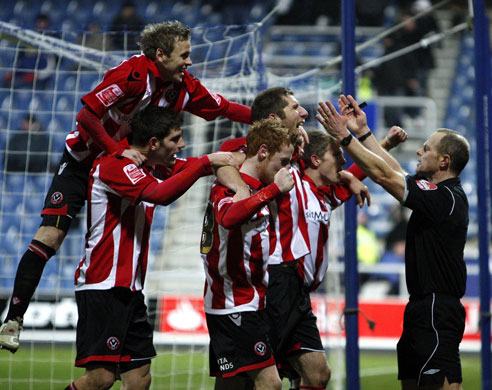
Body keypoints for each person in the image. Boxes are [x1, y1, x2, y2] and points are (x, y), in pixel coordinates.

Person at [0, 20, 252, 353]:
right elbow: (86, 116)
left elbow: (221, 107)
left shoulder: (182, 85)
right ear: (160, 55)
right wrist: (116, 149)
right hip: (83, 160)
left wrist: (263, 120)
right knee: (51, 234)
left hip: (130, 165)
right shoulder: (131, 75)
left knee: (146, 209)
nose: (190, 62)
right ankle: (14, 318)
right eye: (185, 55)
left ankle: (125, 307)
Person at [219, 88, 406, 390]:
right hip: (277, 281)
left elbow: (355, 170)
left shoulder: (323, 192)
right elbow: (230, 154)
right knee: (260, 377)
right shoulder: (284, 170)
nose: (303, 113)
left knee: (318, 374)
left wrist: (370, 155)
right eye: (295, 108)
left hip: (301, 292)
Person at [62, 105, 235, 390]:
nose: (182, 144)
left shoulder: (154, 167)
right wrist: (206, 163)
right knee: (100, 378)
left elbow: (198, 165)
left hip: (130, 289)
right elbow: (159, 194)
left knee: (140, 378)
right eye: (175, 138)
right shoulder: (113, 164)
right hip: (103, 285)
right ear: (153, 143)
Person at [317, 95, 470, 390]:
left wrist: (345, 138)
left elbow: (385, 175)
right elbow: (395, 172)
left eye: (427, 148)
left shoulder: (447, 199)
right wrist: (363, 133)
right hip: (420, 308)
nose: (420, 150)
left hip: (438, 309)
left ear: (444, 161)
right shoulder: (436, 194)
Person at [200, 119, 297, 390]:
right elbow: (229, 218)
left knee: (234, 383)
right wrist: (273, 190)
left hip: (248, 301)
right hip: (234, 303)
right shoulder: (232, 185)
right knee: (271, 384)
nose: (286, 169)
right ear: (263, 152)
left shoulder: (253, 184)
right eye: (283, 161)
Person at [3, 14, 57, 89]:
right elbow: (19, 60)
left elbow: (51, 65)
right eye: (39, 23)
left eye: (43, 23)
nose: (41, 26)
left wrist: (33, 76)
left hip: (42, 76)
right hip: (26, 71)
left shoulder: (54, 39)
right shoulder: (28, 38)